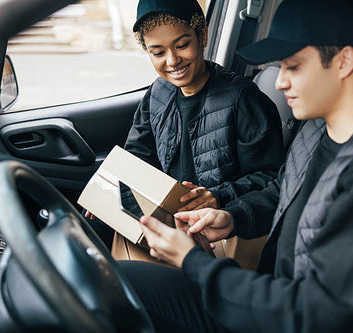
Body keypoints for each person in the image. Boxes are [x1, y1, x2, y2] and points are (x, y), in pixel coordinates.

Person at [119, 0, 353, 332]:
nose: (280, 81)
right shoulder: (317, 125)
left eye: (293, 66)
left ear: (343, 61)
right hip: (277, 298)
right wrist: (232, 217)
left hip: (298, 315)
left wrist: (194, 263)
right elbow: (280, 190)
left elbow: (318, 314)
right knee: (115, 281)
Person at [86, 0, 285, 248]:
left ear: (202, 36)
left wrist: (218, 197)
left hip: (217, 228)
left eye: (182, 45)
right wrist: (112, 193)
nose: (172, 61)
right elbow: (137, 158)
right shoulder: (157, 93)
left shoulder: (243, 99)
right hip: (169, 218)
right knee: (89, 234)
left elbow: (271, 176)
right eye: (158, 52)